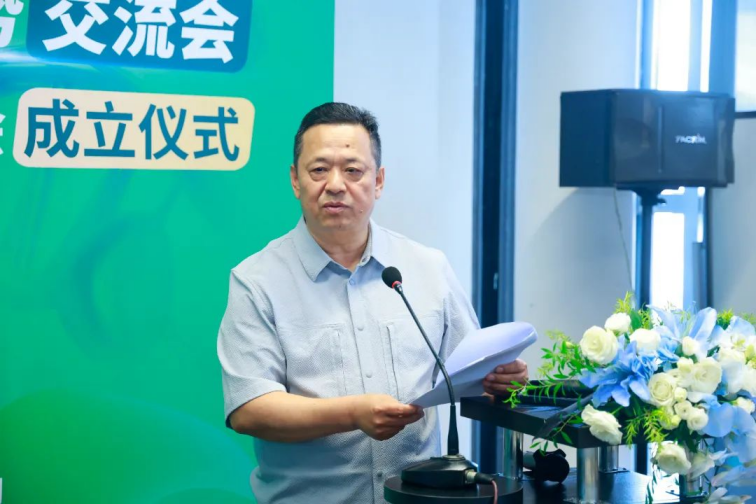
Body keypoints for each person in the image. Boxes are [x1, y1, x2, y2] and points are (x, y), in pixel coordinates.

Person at [217, 102, 528, 503]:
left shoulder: (427, 267)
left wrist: (500, 382)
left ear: (378, 181)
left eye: (353, 170)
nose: (335, 185)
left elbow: (469, 377)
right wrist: (352, 414)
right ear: (295, 180)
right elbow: (250, 409)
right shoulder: (256, 281)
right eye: (319, 170)